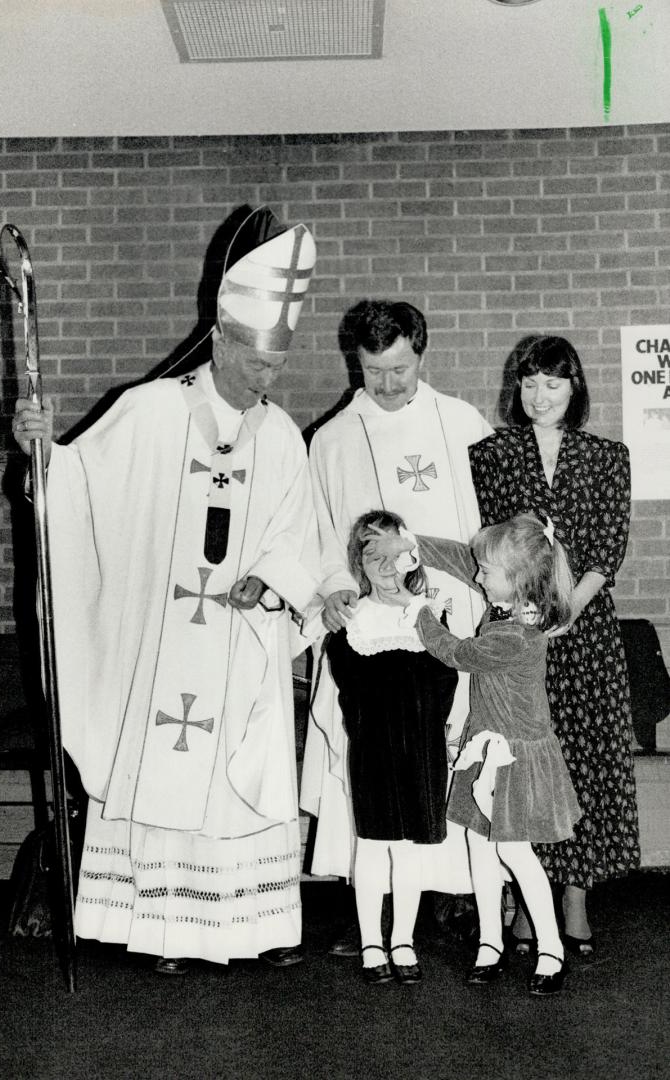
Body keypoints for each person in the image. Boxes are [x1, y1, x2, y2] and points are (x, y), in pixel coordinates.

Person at [12, 212, 320, 973]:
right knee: (170, 765)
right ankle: (165, 933)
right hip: (164, 642)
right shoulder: (149, 411)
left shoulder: (279, 434)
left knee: (235, 776)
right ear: (219, 340)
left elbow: (298, 533)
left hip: (243, 642)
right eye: (254, 361)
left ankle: (251, 929)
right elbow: (77, 492)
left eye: (277, 366)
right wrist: (40, 450)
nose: (266, 379)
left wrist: (272, 582)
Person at [300, 299, 493, 950]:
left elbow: (488, 532)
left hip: (452, 619)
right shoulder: (331, 441)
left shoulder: (461, 424)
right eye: (372, 369)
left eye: (400, 369)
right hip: (371, 635)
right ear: (355, 360)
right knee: (375, 760)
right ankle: (370, 911)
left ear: (421, 355)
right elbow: (321, 539)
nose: (386, 384)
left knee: (450, 745)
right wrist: (332, 592)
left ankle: (460, 896)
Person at [468, 335, 640, 954]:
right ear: (518, 389)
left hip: (583, 633)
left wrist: (565, 612)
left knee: (583, 761)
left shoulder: (606, 456)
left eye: (555, 384)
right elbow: (487, 546)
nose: (541, 396)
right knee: (519, 763)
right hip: (516, 638)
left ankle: (575, 896)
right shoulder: (491, 455)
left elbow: (607, 549)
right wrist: (524, 616)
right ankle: (523, 889)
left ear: (575, 389)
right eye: (531, 383)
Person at [365, 512, 581, 996]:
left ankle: (551, 948)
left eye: (487, 572)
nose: (477, 576)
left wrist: (415, 609)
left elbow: (457, 652)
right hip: (486, 744)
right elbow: (460, 559)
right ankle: (490, 942)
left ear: (518, 579)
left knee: (513, 852)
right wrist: (411, 539)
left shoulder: (516, 634)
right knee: (478, 849)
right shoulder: (507, 598)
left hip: (516, 756)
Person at [322, 510, 459, 985]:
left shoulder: (427, 615)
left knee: (410, 852)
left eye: (392, 551)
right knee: (374, 847)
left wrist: (429, 731)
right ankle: (371, 944)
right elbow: (349, 688)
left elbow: (445, 683)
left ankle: (403, 939)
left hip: (421, 751)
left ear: (411, 555)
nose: (383, 562)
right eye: (371, 552)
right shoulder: (351, 622)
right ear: (359, 561)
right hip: (374, 750)